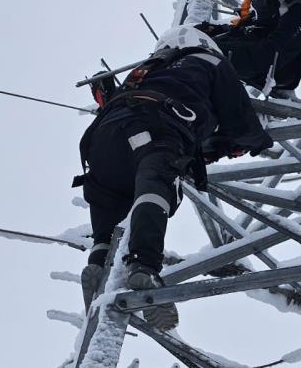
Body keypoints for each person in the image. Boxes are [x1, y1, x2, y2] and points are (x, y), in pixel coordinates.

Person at [75, 25, 273, 330]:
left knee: (109, 198)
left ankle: (99, 261)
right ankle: (144, 265)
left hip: (102, 140)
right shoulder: (208, 60)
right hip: (156, 125)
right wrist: (258, 141)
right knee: (155, 185)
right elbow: (240, 121)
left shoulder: (145, 70)